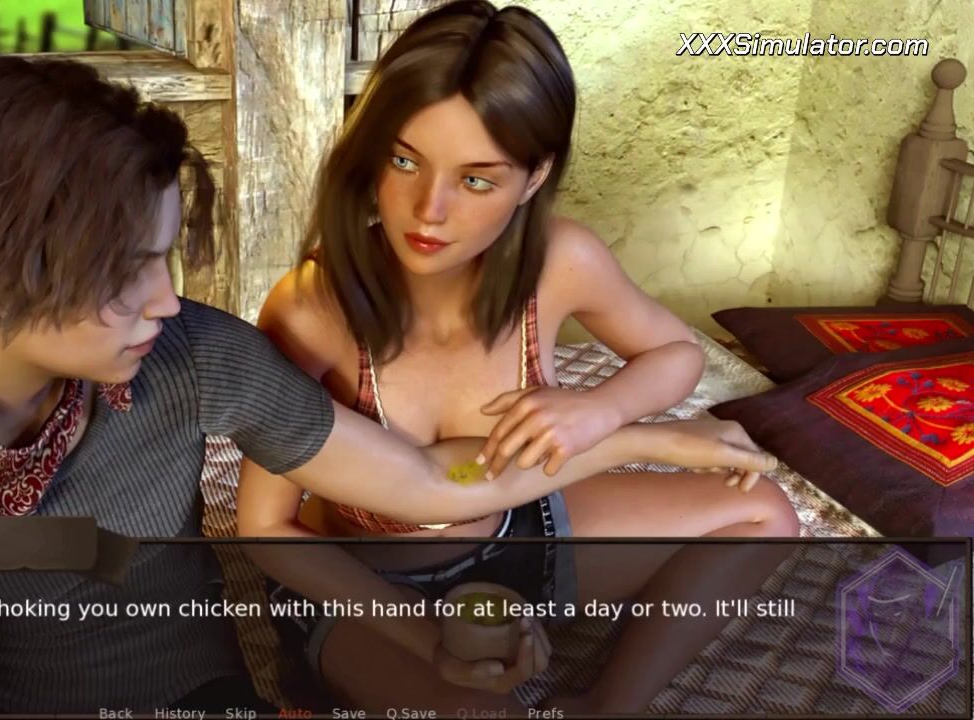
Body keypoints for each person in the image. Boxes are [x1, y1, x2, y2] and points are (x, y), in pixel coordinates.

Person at [0, 56, 777, 716]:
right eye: (126, 271)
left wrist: (630, 434)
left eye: (166, 258)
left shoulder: (192, 355)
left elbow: (427, 479)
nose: (167, 298)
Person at [236, 1, 801, 715]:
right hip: (369, 587)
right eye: (404, 160)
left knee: (764, 513)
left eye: (476, 179)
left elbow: (676, 353)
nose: (428, 209)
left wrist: (600, 410)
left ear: (534, 177)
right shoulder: (312, 307)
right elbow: (265, 527)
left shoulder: (562, 261)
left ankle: (606, 706)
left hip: (522, 536)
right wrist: (425, 640)